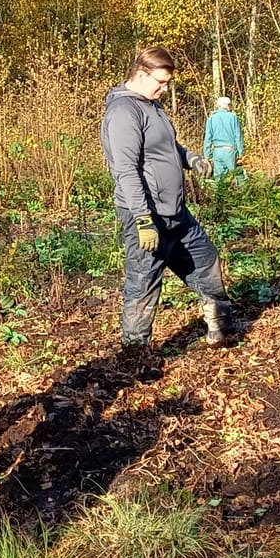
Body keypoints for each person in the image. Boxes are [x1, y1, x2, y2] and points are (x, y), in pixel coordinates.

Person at [101, 46, 240, 351]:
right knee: (143, 285)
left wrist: (191, 158)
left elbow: (167, 146)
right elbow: (125, 171)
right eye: (160, 83)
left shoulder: (151, 105)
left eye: (167, 84)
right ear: (141, 74)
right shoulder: (124, 112)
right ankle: (136, 356)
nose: (164, 89)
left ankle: (223, 327)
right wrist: (142, 218)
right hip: (147, 217)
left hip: (176, 213)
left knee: (205, 261)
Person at [203, 95, 245, 180]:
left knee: (219, 179)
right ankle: (241, 192)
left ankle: (218, 193)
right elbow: (238, 136)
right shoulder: (233, 117)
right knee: (237, 176)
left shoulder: (211, 118)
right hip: (230, 151)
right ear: (227, 106)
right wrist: (241, 153)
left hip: (217, 151)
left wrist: (207, 155)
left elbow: (207, 138)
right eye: (230, 105)